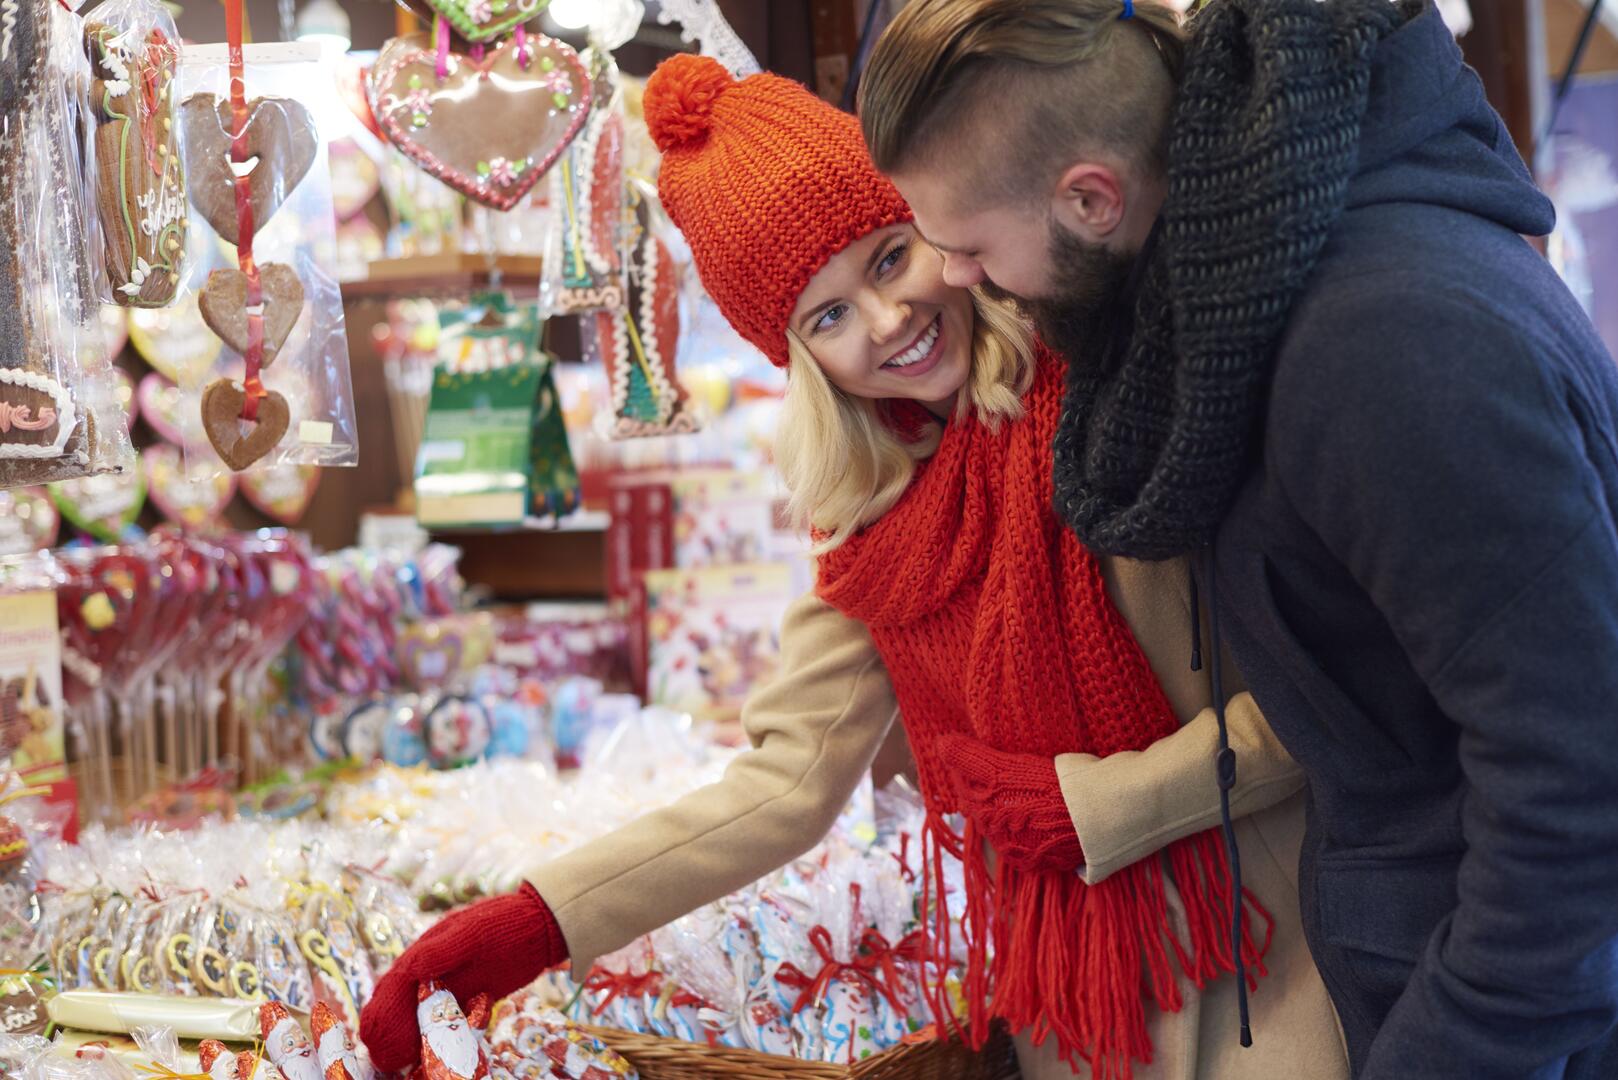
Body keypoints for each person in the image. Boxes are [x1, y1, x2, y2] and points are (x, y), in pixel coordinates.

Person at [358, 54, 1348, 1080]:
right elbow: (784, 784)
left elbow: (1334, 695)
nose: (887, 323)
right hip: (1081, 1022)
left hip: (1272, 962)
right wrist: (528, 927)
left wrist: (1091, 807)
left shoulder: (1122, 401)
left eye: (885, 258)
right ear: (798, 361)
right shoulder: (879, 525)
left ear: (935, 226)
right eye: (825, 316)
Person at [858, 1, 1618, 1077]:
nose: (955, 280)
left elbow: (1577, 778)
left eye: (967, 244)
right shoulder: (1249, 306)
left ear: (1089, 197)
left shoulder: (1380, 347)